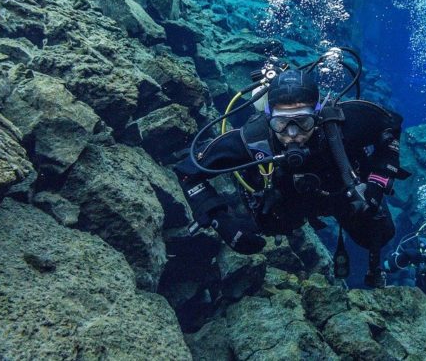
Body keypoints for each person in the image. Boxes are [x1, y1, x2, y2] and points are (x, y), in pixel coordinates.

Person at [174, 68, 407, 287]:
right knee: (252, 233)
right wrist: (219, 220)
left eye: (303, 122)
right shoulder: (253, 139)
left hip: (343, 196)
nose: (293, 134)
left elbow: (390, 126)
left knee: (381, 235)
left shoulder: (344, 124)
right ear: (268, 117)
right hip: (282, 205)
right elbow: (187, 172)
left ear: (317, 115)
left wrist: (377, 184)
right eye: (282, 123)